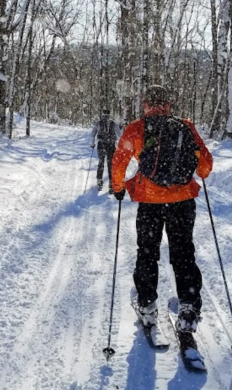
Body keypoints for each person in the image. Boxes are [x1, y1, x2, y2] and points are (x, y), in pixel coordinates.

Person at [111, 85, 213, 333]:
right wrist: (197, 172)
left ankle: (147, 306)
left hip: (150, 201)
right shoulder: (185, 126)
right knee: (183, 253)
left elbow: (119, 161)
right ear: (169, 104)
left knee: (147, 252)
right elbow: (206, 164)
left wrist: (118, 187)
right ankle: (188, 308)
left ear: (145, 104)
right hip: (182, 201)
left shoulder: (136, 128)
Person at [90, 109, 121, 193]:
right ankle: (111, 183)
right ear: (109, 115)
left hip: (101, 145)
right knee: (111, 164)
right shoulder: (114, 124)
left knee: (101, 163)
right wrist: (120, 146)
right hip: (111, 146)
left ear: (102, 115)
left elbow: (92, 135)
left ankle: (99, 181)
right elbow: (119, 136)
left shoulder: (98, 123)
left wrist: (92, 144)